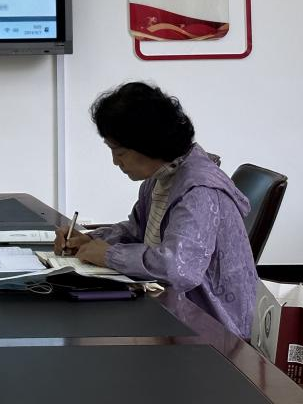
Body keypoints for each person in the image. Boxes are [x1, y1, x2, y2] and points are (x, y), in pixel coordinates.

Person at [54, 81, 257, 337]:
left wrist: (110, 255)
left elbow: (179, 268)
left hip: (213, 331)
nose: (115, 161)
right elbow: (136, 229)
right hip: (171, 308)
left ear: (147, 143)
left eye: (119, 152)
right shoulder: (161, 177)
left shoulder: (200, 190)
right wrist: (90, 240)